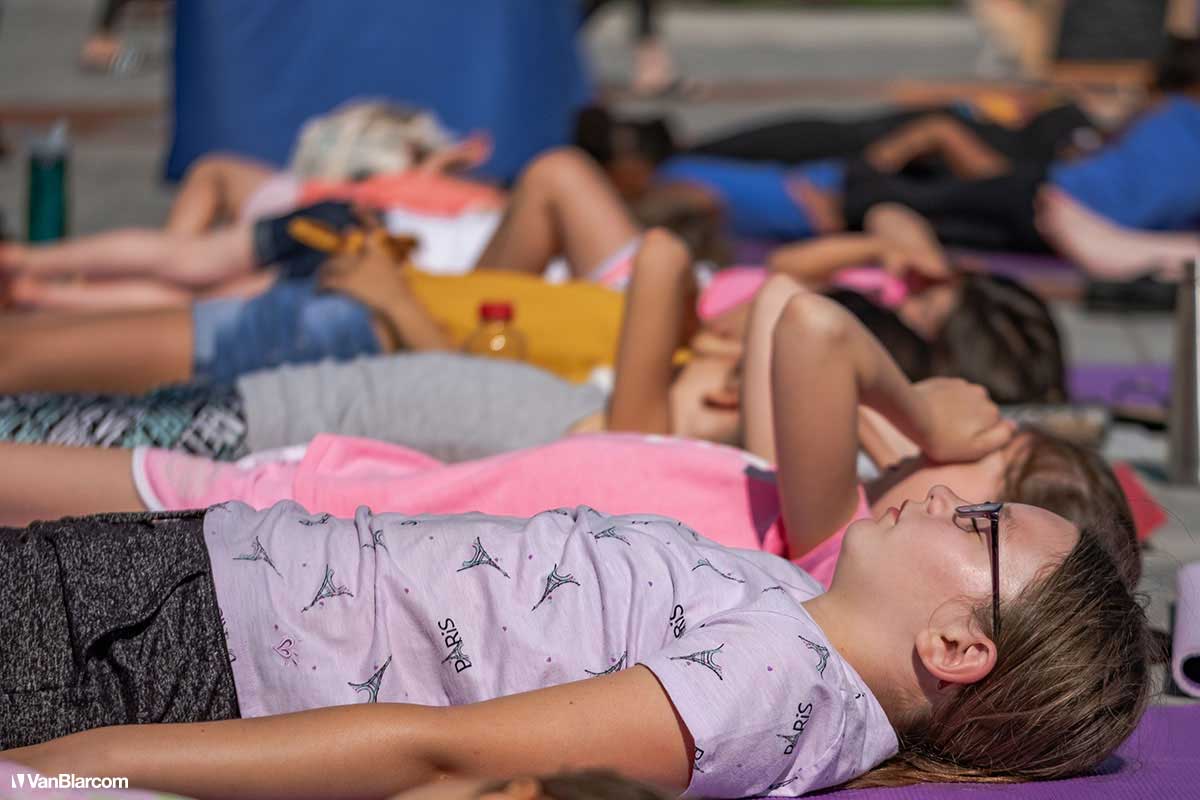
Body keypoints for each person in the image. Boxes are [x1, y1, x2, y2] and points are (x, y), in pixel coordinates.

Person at [0, 263, 1140, 592]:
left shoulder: (833, 546)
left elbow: (808, 329)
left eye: (985, 500)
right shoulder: (807, 510)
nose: (947, 484)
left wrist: (920, 404)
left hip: (291, 521)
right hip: (323, 487)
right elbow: (784, 319)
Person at [0, 477, 1150, 799]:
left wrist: (62, 773)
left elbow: (447, 753)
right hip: (187, 589)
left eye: (985, 525)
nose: (953, 499)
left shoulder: (764, 688)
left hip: (166, 647)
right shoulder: (797, 625)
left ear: (957, 646)